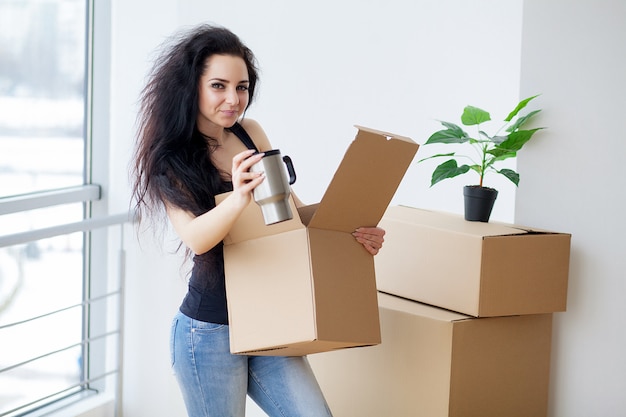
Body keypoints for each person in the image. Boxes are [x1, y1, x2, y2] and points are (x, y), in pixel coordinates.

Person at [131, 24, 385, 417]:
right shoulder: (171, 157)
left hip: (270, 319)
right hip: (208, 331)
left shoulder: (250, 133)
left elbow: (294, 216)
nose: (233, 99)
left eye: (242, 87)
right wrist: (238, 198)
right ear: (191, 86)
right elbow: (196, 238)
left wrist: (350, 232)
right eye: (219, 86)